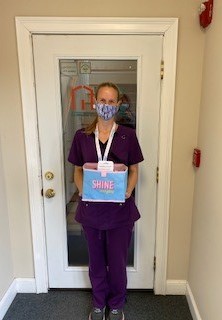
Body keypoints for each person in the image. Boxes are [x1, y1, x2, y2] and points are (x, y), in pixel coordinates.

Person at [68, 82, 144, 320]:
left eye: (112, 101)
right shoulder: (82, 136)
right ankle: (99, 303)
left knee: (117, 262)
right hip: (91, 211)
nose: (107, 106)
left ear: (118, 105)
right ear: (95, 103)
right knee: (97, 262)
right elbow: (77, 171)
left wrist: (128, 192)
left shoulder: (128, 135)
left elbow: (134, 170)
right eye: (103, 100)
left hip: (120, 212)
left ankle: (117, 303)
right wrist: (85, 191)